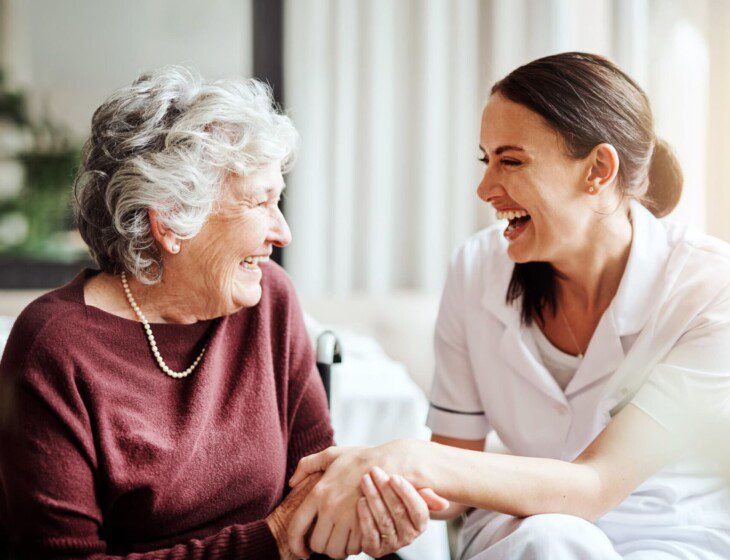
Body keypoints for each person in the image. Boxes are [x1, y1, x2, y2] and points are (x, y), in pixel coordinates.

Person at [287, 52, 730, 559]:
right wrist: (379, 490)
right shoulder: (477, 270)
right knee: (548, 537)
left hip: (668, 540)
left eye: (511, 161)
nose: (485, 189)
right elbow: (455, 472)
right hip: (522, 538)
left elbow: (594, 485)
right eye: (486, 159)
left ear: (598, 170)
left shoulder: (710, 289)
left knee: (558, 536)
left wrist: (411, 459)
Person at [0, 66, 444, 559]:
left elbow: (313, 488)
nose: (283, 232)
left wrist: (357, 516)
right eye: (261, 202)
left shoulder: (268, 299)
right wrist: (272, 539)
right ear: (169, 221)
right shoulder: (53, 348)